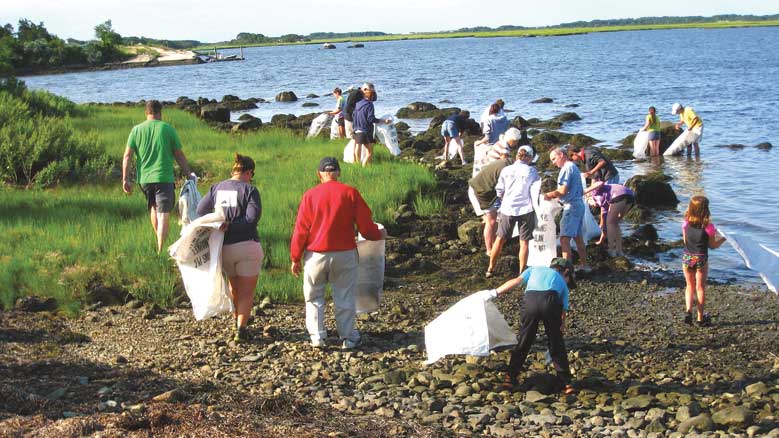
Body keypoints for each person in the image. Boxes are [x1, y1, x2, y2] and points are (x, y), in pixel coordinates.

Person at [290, 157, 386, 349]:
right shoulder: (350, 193)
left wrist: (295, 257)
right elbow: (366, 228)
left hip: (315, 255)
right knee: (344, 296)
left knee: (314, 297)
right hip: (345, 254)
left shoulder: (310, 195)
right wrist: (379, 234)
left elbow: (301, 230)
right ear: (338, 172)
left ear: (319, 174)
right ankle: (349, 337)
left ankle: (317, 337)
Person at [196, 154, 263, 342]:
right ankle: (241, 328)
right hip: (246, 245)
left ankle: (236, 321)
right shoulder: (250, 190)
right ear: (249, 172)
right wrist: (233, 225)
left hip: (223, 248)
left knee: (235, 286)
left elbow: (200, 210)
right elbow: (251, 219)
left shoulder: (216, 187)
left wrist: (219, 223)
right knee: (247, 291)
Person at [492, 257, 575, 394]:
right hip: (551, 301)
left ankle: (510, 378)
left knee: (524, 340)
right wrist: (561, 327)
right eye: (569, 279)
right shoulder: (562, 284)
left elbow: (516, 282)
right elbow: (562, 314)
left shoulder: (534, 269)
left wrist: (495, 292)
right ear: (566, 272)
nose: (568, 282)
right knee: (556, 343)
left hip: (530, 301)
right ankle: (566, 384)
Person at [122, 99, 195, 253]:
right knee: (164, 215)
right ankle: (161, 250)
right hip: (164, 178)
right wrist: (188, 174)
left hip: (144, 180)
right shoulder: (168, 129)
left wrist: (125, 179)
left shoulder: (136, 130)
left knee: (154, 209)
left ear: (146, 112)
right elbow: (179, 155)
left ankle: (159, 244)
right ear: (160, 112)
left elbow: (127, 156)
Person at [486, 146, 539, 277]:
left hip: (507, 208)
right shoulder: (532, 171)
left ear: (517, 156)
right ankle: (521, 273)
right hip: (526, 209)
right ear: (530, 157)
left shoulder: (506, 170)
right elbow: (536, 190)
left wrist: (505, 199)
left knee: (500, 239)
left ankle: (490, 268)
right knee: (524, 242)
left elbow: (499, 190)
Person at [468, 136, 520, 257]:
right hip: (481, 191)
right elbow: (505, 190)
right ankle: (489, 250)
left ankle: (494, 243)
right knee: (491, 221)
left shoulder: (508, 162)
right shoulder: (508, 170)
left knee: (494, 217)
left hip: (481, 187)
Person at [681, 195, 726, 326]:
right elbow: (713, 246)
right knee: (700, 288)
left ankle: (688, 312)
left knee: (689, 286)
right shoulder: (708, 227)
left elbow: (685, 241)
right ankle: (700, 318)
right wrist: (724, 238)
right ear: (706, 209)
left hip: (687, 257)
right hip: (701, 258)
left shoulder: (685, 223)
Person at [544, 148, 588, 271]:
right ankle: (585, 266)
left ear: (561, 155)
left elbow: (562, 190)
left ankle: (567, 271)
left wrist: (548, 195)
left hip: (572, 207)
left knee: (564, 239)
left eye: (554, 158)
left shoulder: (566, 168)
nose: (553, 162)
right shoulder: (573, 167)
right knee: (578, 238)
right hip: (579, 204)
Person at [584, 181, 635, 257]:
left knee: (610, 223)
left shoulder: (593, 193)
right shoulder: (603, 204)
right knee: (614, 223)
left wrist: (585, 191)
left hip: (618, 195)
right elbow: (604, 222)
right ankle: (619, 250)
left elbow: (600, 182)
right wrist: (601, 240)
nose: (592, 206)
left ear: (589, 198)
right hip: (630, 195)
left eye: (589, 203)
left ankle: (611, 250)